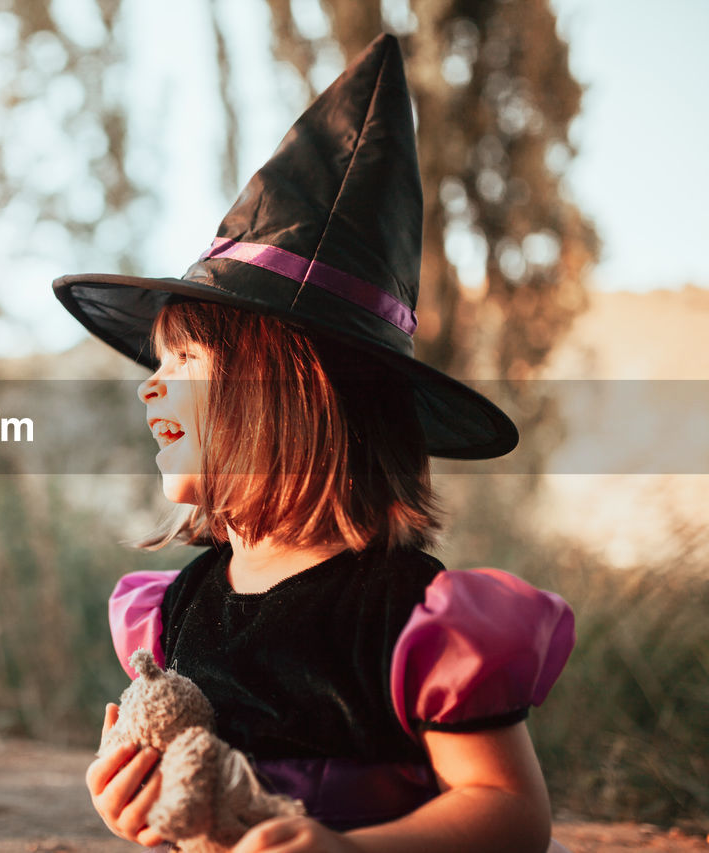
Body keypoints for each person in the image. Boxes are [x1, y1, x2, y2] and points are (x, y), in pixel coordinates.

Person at [52, 34, 575, 853]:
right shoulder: (179, 611)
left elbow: (509, 810)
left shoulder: (410, 618)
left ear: (295, 392)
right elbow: (190, 797)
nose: (153, 384)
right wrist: (136, 802)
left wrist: (351, 850)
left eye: (185, 359)